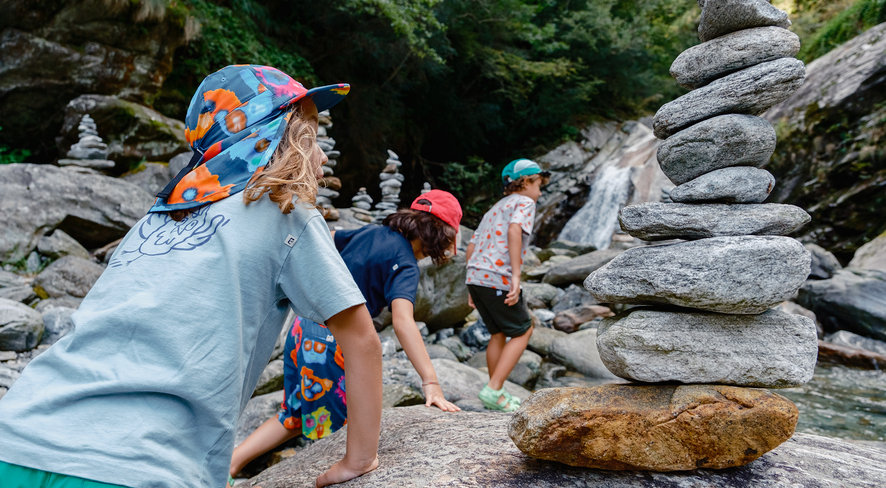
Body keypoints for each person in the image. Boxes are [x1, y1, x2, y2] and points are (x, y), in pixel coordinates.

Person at [0, 65, 382, 488]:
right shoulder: (287, 213)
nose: (323, 156)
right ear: (281, 136)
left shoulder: (154, 220)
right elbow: (361, 340)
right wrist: (359, 458)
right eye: (313, 136)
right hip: (139, 463)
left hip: (18, 433)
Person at [229, 190, 464, 480]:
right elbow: (403, 322)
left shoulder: (371, 232)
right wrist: (431, 381)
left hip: (302, 329)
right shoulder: (405, 264)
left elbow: (324, 236)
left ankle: (232, 462)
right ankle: (322, 478)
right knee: (342, 429)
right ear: (440, 235)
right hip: (332, 343)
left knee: (294, 414)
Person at [464, 159, 550, 412]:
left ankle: (496, 392)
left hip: (477, 276)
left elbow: (471, 245)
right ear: (524, 182)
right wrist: (515, 276)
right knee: (523, 330)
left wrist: (471, 285)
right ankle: (493, 388)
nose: (540, 192)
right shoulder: (525, 202)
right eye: (538, 185)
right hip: (498, 275)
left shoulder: (495, 208)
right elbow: (514, 230)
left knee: (498, 333)